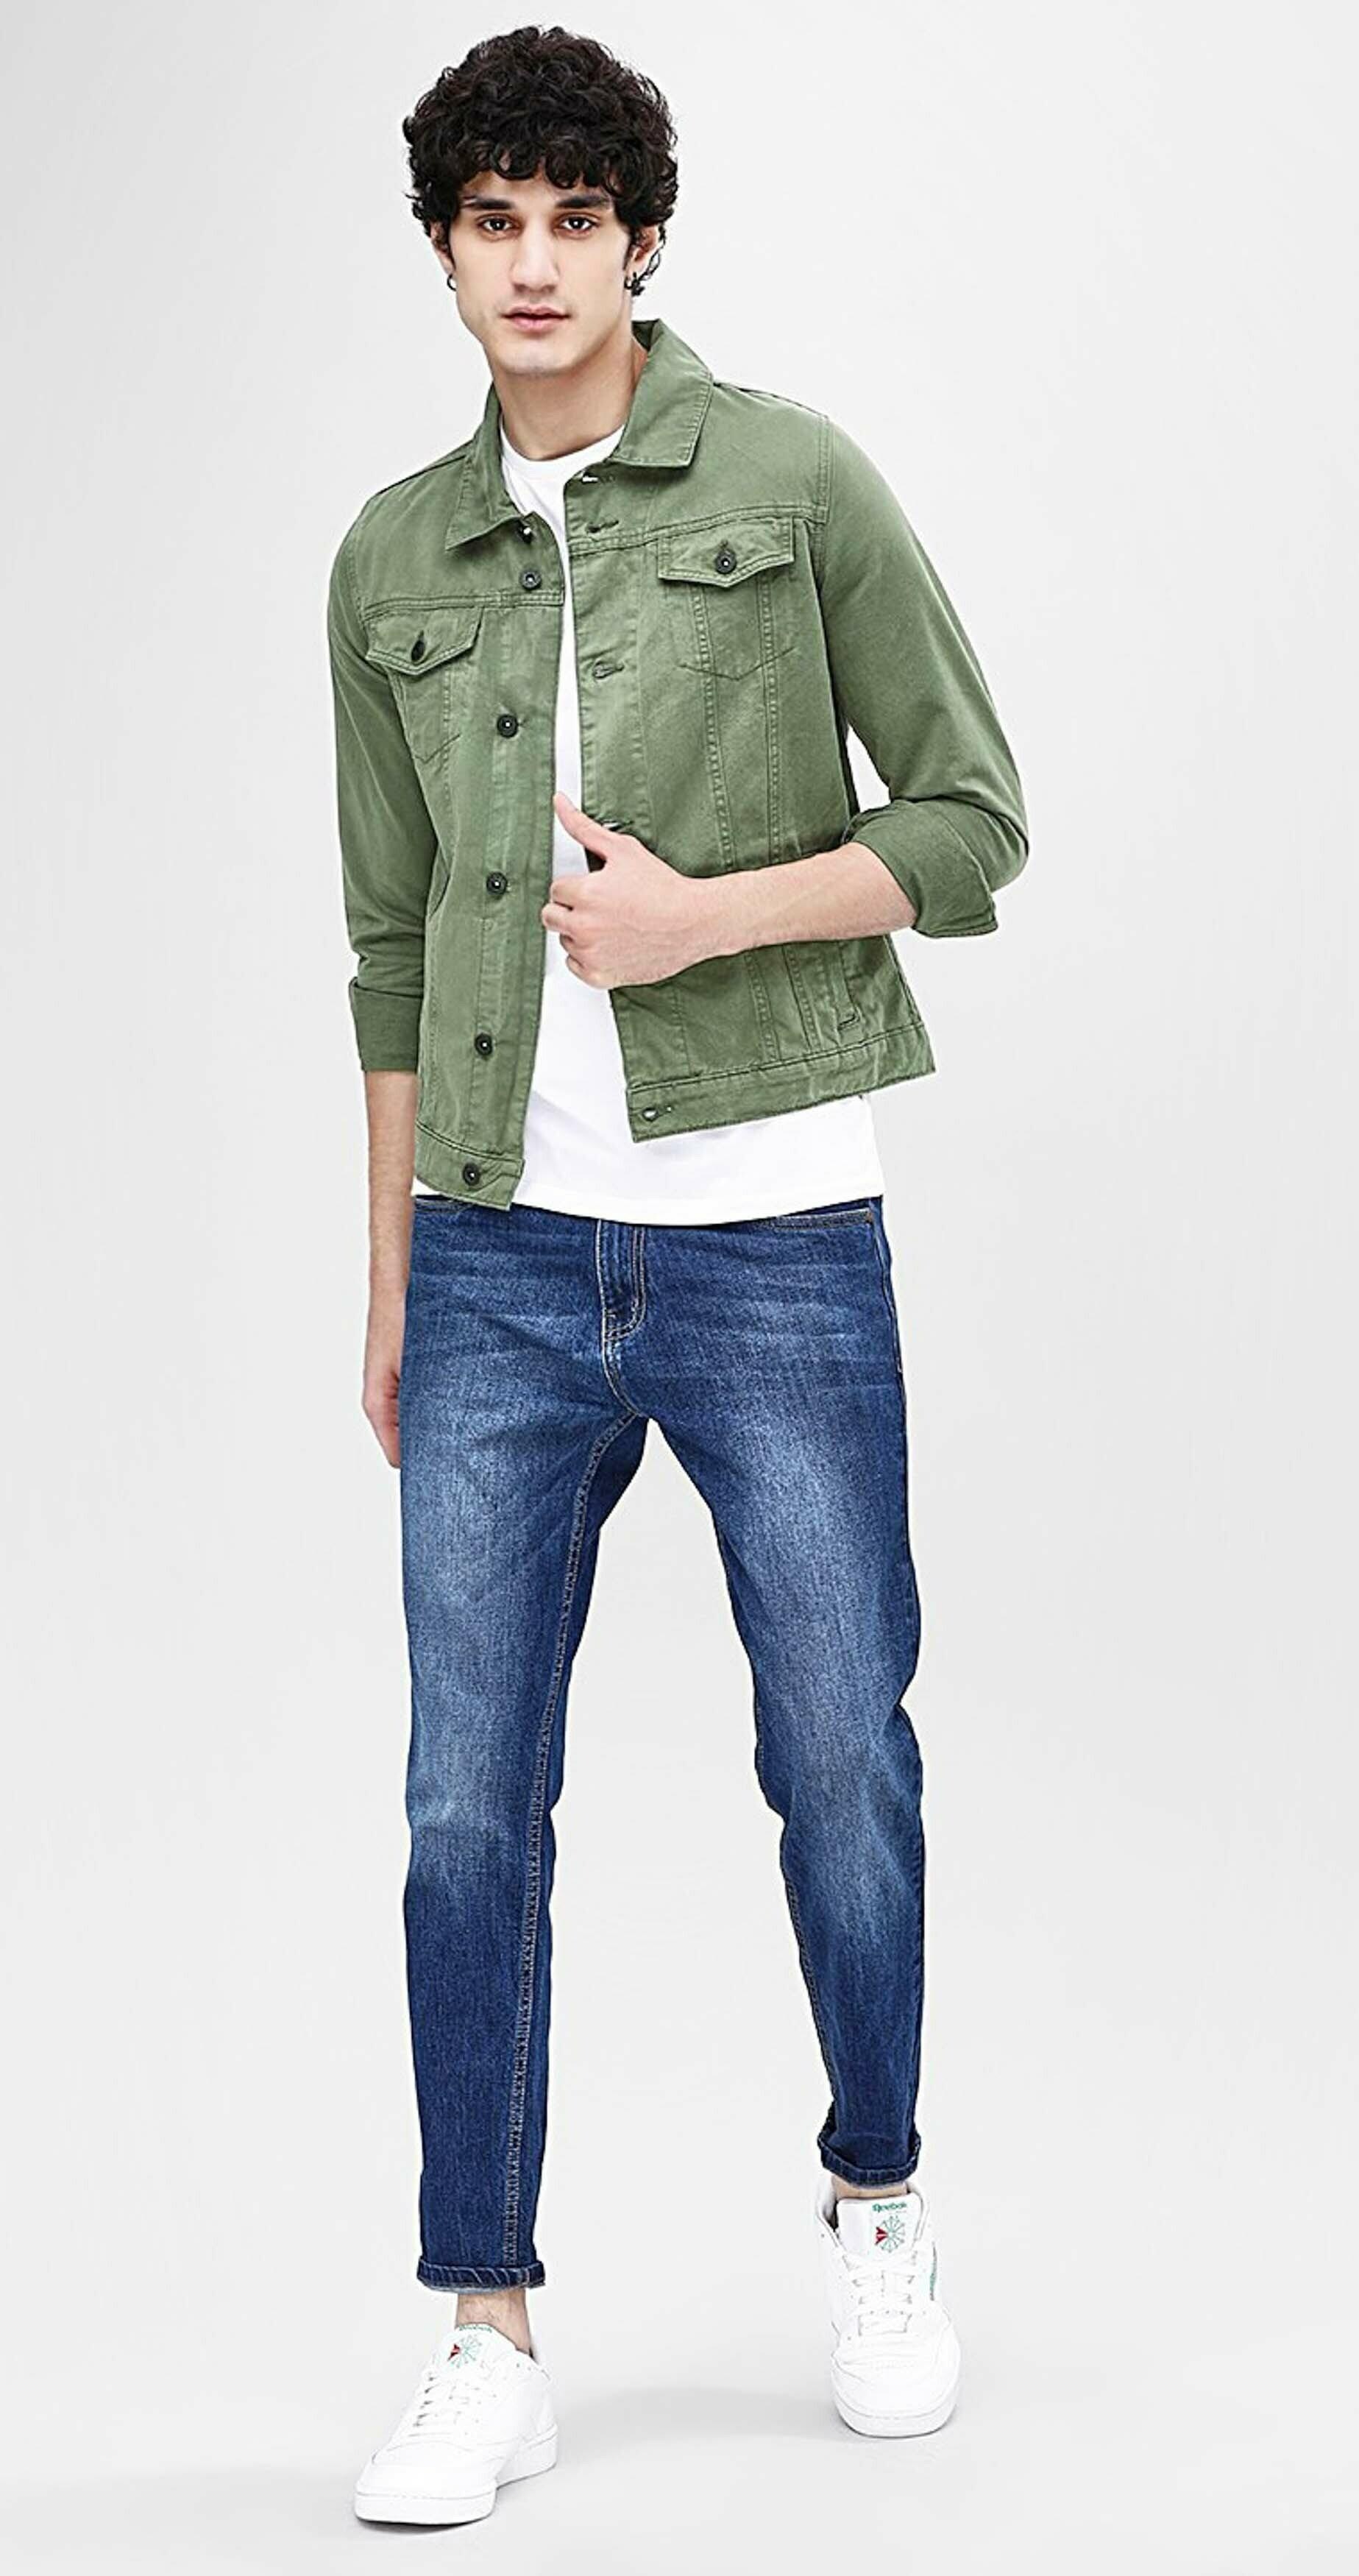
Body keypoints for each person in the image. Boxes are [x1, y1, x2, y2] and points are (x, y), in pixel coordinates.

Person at [326, 24, 1027, 2528]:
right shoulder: (390, 562)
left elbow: (974, 820)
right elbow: (389, 942)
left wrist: (703, 918)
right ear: (447, 251)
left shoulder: (793, 481)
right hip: (497, 1258)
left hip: (774, 1243)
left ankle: (879, 2204)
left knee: (841, 1751)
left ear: (639, 241)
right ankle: (484, 2325)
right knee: (460, 1802)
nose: (535, 265)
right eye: (490, 222)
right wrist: (393, 1267)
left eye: (574, 220)